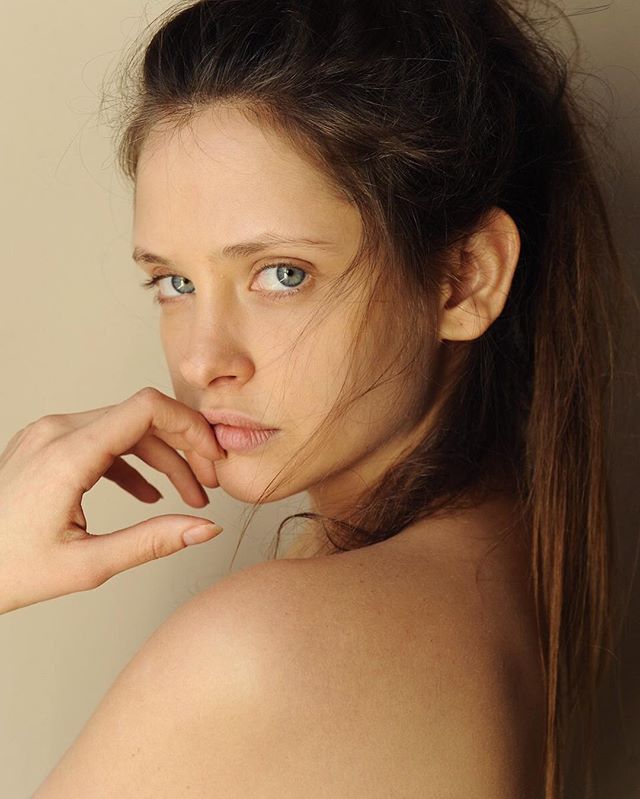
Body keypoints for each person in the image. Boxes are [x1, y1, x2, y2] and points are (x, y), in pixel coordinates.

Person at [6, 0, 633, 797]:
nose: (203, 359)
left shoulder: (264, 649)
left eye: (282, 273)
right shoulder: (504, 576)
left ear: (464, 277)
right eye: (174, 281)